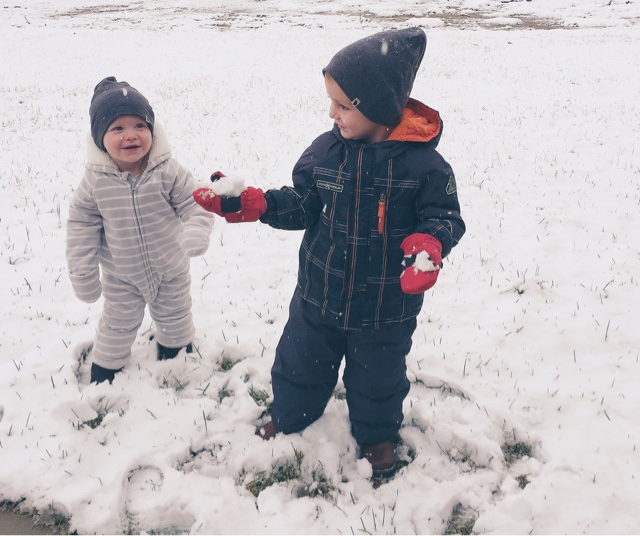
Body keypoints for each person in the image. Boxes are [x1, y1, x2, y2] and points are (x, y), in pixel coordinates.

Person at [194, 27, 465, 477]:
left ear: (379, 108)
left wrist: (428, 245)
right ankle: (290, 415)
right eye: (331, 101)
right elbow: (303, 203)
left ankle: (376, 435)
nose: (331, 113)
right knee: (299, 363)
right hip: (319, 293)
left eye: (343, 105)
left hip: (385, 306)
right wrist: (257, 204)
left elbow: (444, 217)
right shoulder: (325, 152)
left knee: (379, 377)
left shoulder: (424, 167)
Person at [67, 77, 214, 385]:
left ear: (152, 130)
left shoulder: (168, 170)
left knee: (176, 315)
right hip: (122, 275)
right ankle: (106, 370)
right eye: (117, 128)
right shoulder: (95, 182)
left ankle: (175, 353)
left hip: (170, 267)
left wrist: (195, 231)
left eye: (139, 125)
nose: (130, 135)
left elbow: (195, 202)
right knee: (117, 324)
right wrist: (83, 272)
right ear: (100, 138)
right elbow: (81, 226)